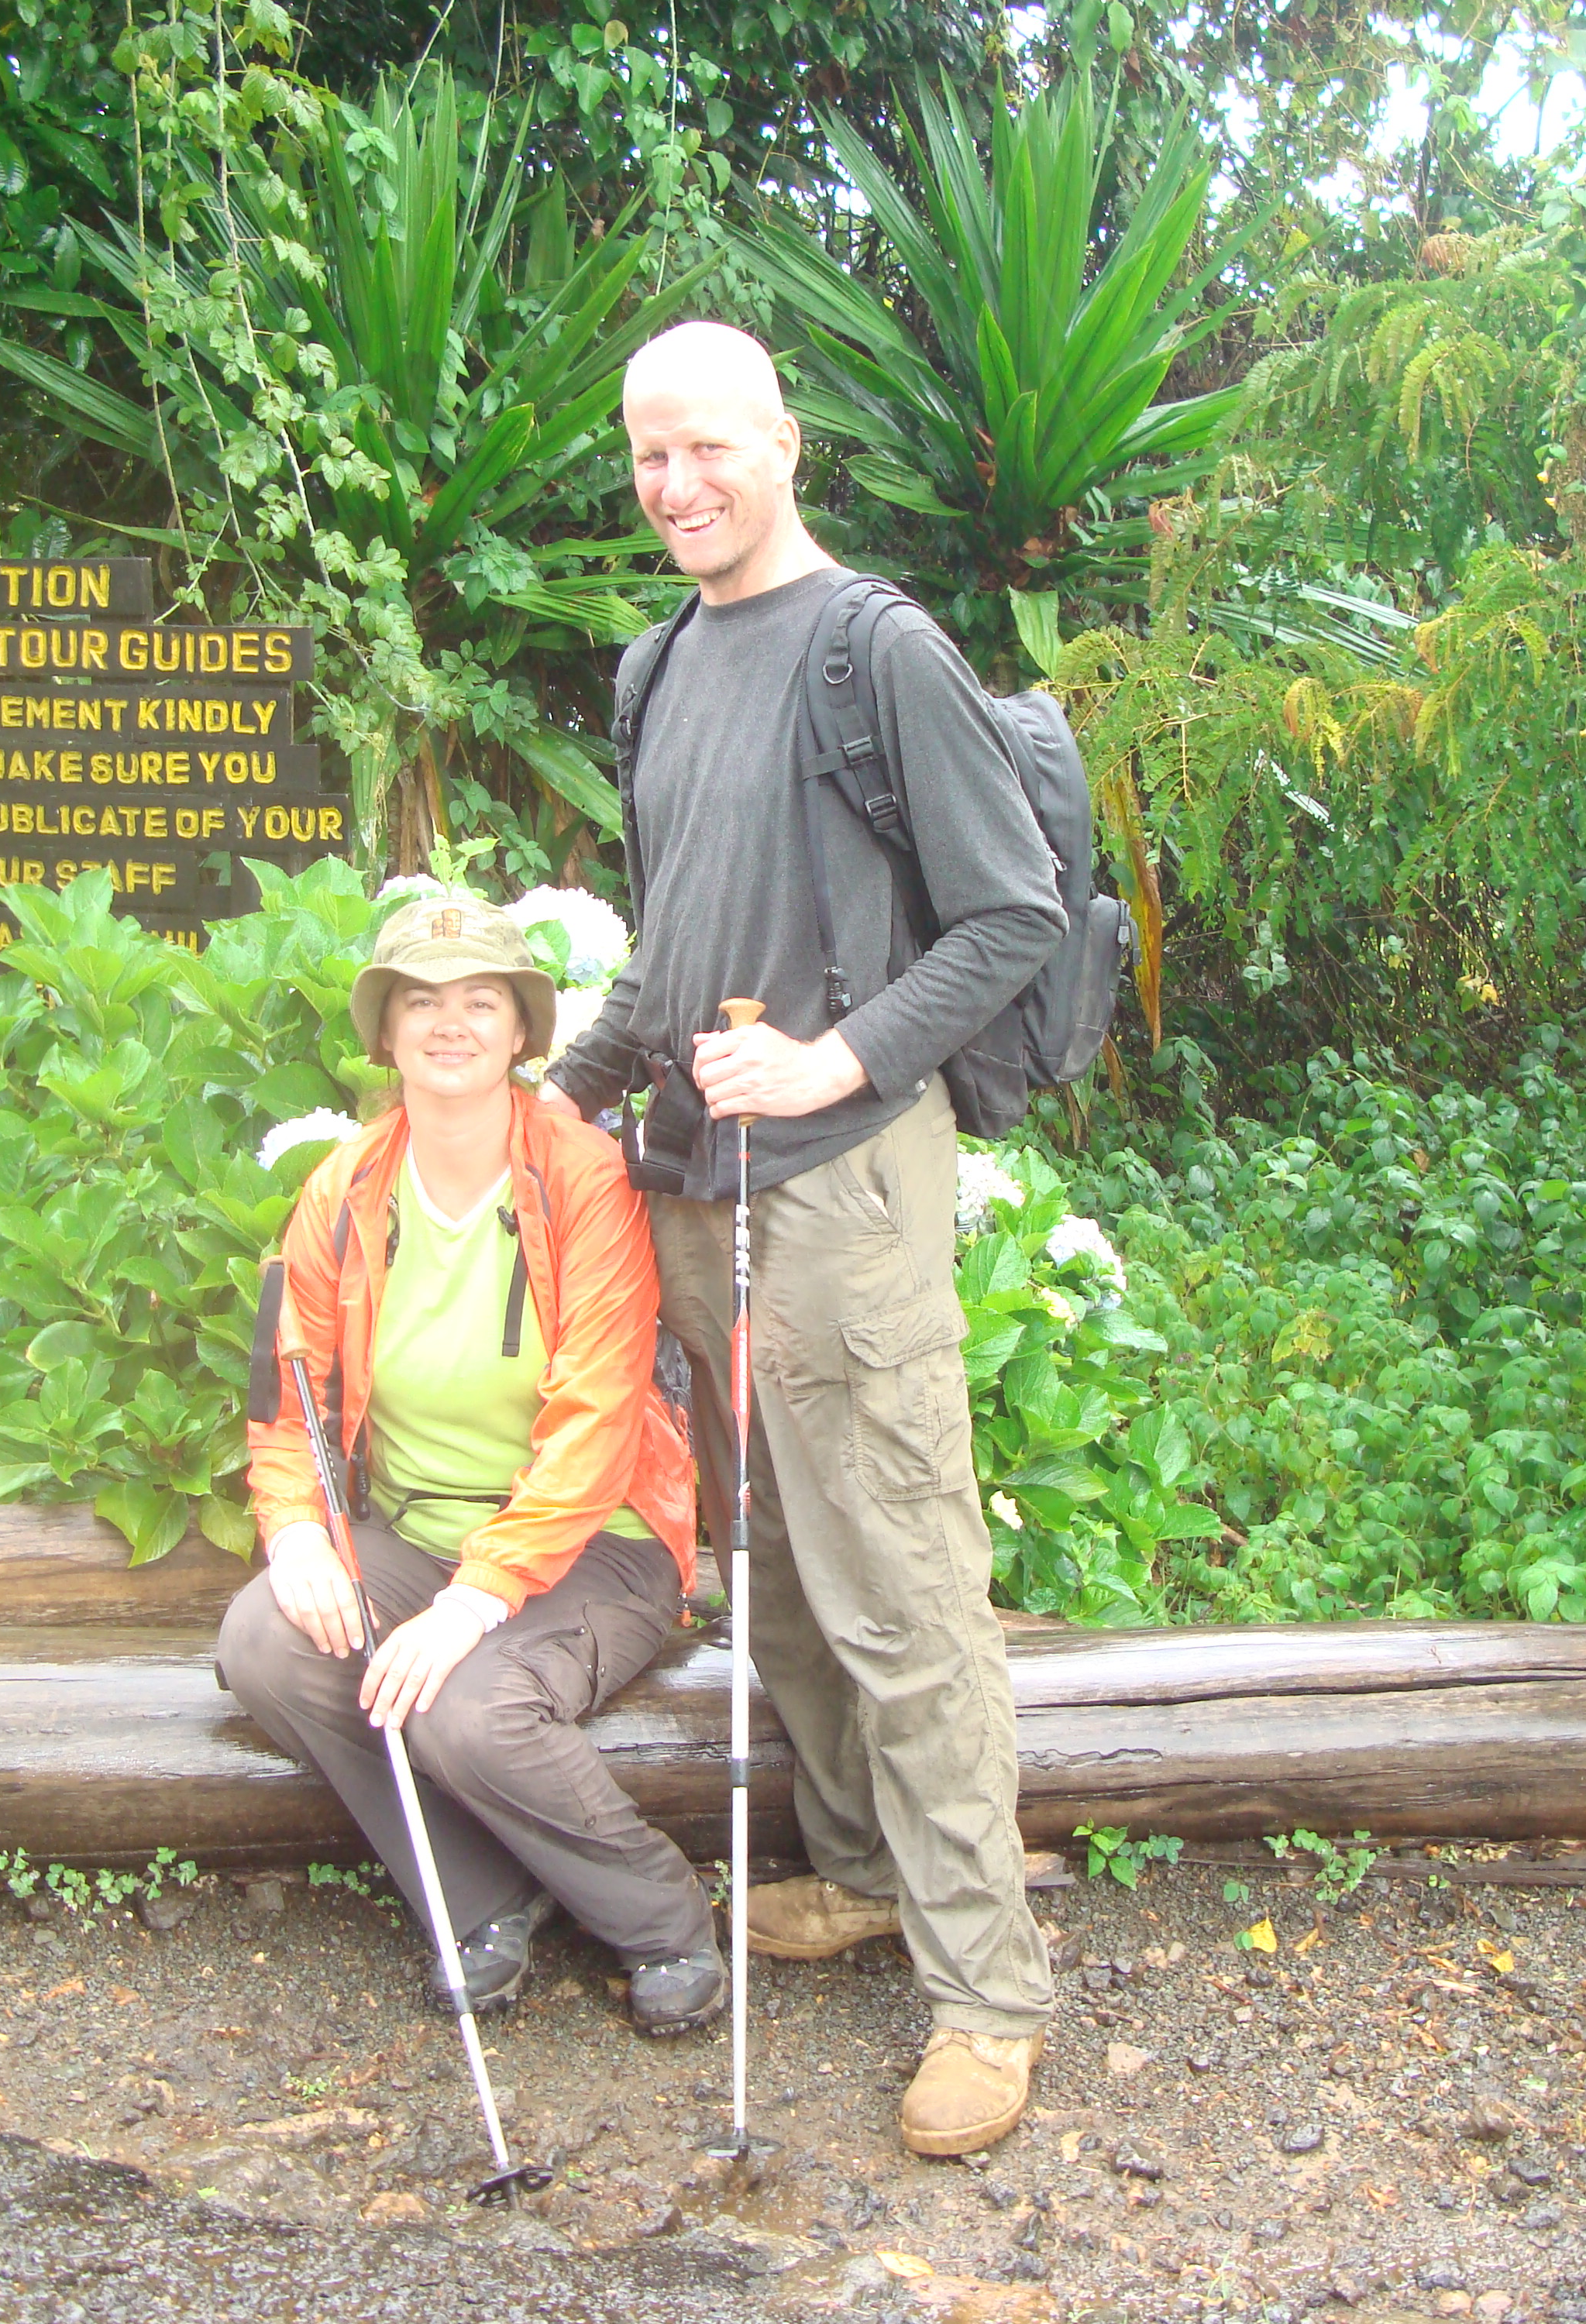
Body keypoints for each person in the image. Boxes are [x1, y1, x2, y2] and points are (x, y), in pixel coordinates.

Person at [539, 319, 1064, 2156]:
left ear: (782, 443)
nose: (676, 485)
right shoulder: (657, 664)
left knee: (899, 1585)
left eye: (708, 447)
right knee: (772, 1571)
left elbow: (1009, 917)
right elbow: (672, 932)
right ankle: (852, 1873)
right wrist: (563, 1092)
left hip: (838, 1183)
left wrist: (832, 1057)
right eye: (648, 456)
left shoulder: (875, 647)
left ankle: (985, 1996)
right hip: (693, 1185)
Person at [216, 892, 725, 2035]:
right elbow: (286, 1392)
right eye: (421, 1002)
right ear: (385, 1033)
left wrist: (473, 1602)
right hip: (416, 1531)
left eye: (481, 1001)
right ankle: (482, 1899)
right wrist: (295, 1532)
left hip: (594, 1545)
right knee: (264, 1641)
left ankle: (662, 1920)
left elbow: (597, 1417)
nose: (450, 1024)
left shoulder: (582, 1179)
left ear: (523, 1031)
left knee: (467, 1711)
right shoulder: (345, 1189)